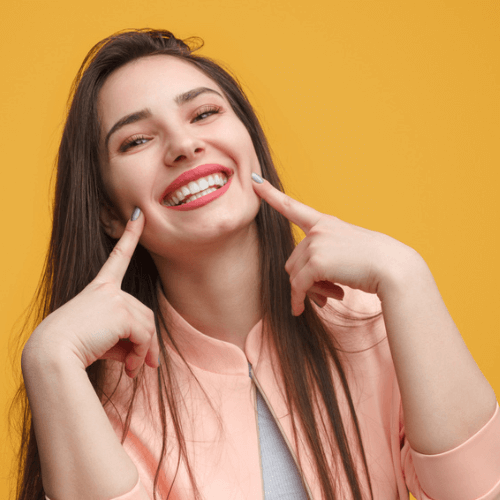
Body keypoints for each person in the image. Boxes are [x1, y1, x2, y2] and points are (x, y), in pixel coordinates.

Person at [12, 29, 500, 500]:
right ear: (108, 213)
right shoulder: (98, 395)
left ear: (249, 143)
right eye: (137, 140)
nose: (184, 145)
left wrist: (408, 275)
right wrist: (48, 360)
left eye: (204, 113)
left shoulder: (375, 320)